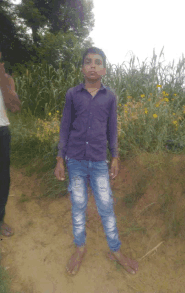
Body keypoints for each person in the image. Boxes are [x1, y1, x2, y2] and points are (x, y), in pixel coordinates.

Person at [0, 47, 138, 275]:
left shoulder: (110, 97)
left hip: (98, 162)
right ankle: (80, 248)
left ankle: (116, 252)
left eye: (97, 62)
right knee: (78, 206)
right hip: (74, 160)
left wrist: (115, 156)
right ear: (82, 68)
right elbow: (65, 126)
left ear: (103, 69)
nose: (92, 65)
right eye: (88, 61)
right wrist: (59, 159)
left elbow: (112, 128)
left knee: (106, 207)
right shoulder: (72, 94)